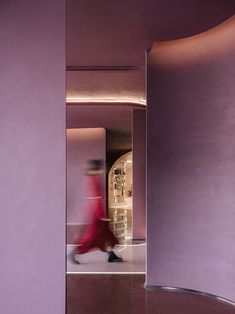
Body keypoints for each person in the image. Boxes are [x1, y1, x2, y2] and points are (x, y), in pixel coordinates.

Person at [69, 159, 123, 264]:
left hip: (96, 213)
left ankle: (111, 255)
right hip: (97, 215)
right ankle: (75, 252)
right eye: (100, 168)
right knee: (94, 236)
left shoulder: (94, 179)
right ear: (96, 169)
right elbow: (96, 198)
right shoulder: (93, 180)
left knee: (106, 235)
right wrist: (101, 215)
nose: (102, 170)